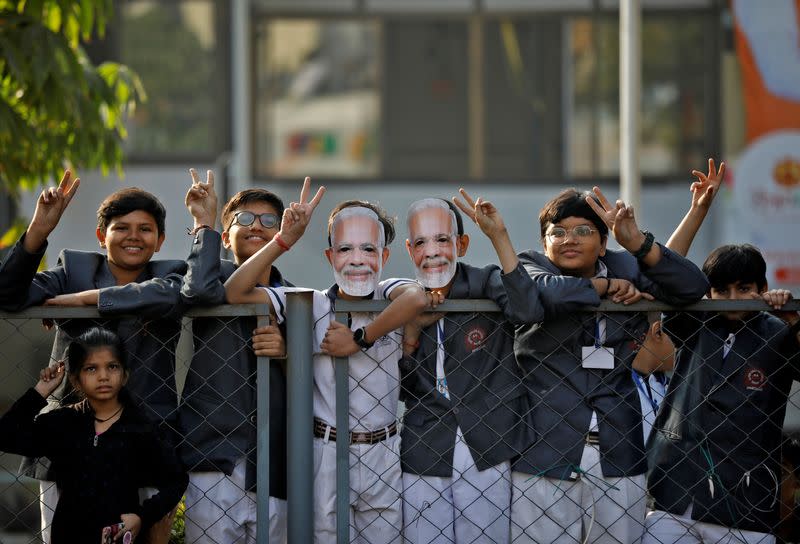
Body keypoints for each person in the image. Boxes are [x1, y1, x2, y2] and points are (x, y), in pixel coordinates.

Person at [224, 179, 436, 543]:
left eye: (369, 249)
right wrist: (284, 240)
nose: (357, 259)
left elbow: (417, 297)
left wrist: (359, 340)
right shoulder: (312, 304)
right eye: (345, 249)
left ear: (385, 257)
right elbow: (235, 291)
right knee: (324, 535)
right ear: (330, 256)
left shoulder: (388, 296)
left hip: (384, 448)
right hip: (325, 448)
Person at [506, 187, 709, 544]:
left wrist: (638, 245)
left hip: (620, 449)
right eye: (558, 232)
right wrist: (605, 286)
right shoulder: (529, 266)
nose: (569, 239)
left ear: (603, 243)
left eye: (583, 231)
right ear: (544, 241)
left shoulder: (626, 264)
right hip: (545, 452)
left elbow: (692, 286)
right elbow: (548, 295)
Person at [0, 171, 186, 543]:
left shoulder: (171, 274)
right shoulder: (74, 270)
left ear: (160, 240)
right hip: (70, 442)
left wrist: (81, 302)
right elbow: (7, 294)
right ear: (102, 236)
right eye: (121, 227)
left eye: (145, 229)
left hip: (145, 437)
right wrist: (39, 229)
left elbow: (167, 297)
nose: (133, 236)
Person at [399, 194, 543, 543]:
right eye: (421, 242)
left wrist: (499, 237)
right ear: (409, 250)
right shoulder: (401, 299)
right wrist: (412, 332)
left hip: (487, 443)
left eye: (443, 240)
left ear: (461, 244)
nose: (432, 251)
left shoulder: (485, 281)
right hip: (426, 443)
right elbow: (404, 388)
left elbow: (528, 311)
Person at [644, 245, 800, 544]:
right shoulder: (695, 321)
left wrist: (793, 319)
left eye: (744, 289)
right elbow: (667, 274)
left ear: (763, 289)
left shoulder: (778, 331)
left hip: (744, 498)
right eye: (721, 290)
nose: (732, 299)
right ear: (708, 292)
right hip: (677, 489)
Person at [179, 170, 291, 543]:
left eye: (268, 220)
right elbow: (198, 292)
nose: (256, 226)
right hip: (214, 455)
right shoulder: (209, 281)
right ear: (225, 238)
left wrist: (288, 350)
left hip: (275, 461)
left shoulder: (299, 299)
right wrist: (204, 223)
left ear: (282, 234)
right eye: (243, 219)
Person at [0, 327, 188, 544]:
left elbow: (176, 481)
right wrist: (40, 392)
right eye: (91, 369)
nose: (103, 376)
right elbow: (6, 435)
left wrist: (142, 517)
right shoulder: (63, 423)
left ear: (125, 375)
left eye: (112, 367)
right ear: (75, 379)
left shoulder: (140, 427)